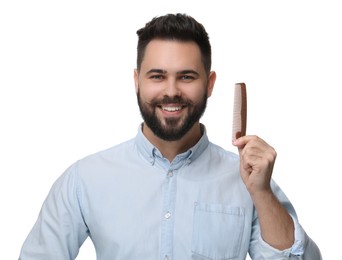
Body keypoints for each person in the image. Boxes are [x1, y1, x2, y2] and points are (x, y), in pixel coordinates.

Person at [19, 13, 322, 259]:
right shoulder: (85, 179)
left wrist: (262, 194)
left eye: (187, 76)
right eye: (157, 76)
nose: (171, 91)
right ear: (137, 81)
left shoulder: (249, 179)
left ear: (210, 83)